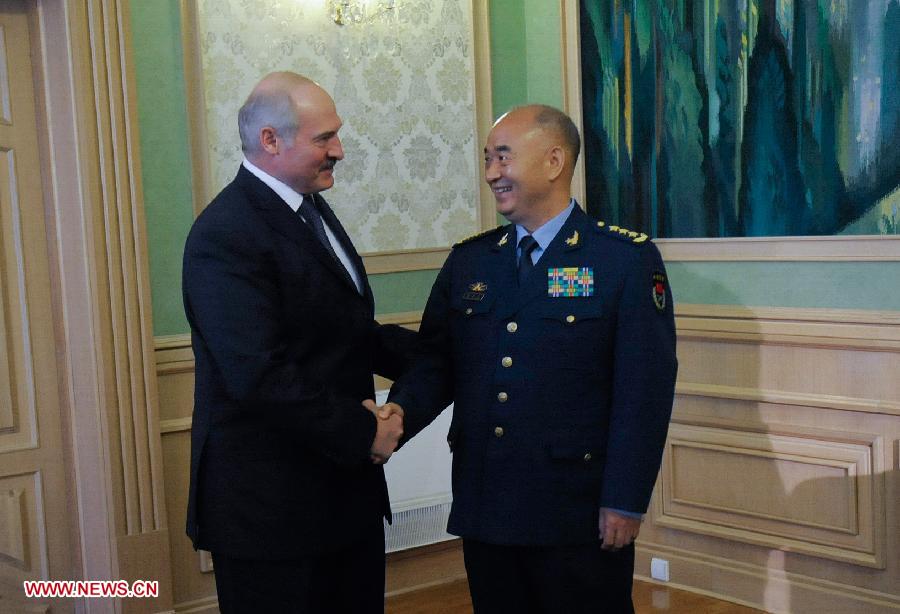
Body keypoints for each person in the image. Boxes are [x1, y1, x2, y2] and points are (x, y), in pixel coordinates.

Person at [379, 105, 678, 613]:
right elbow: (437, 363)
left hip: (576, 509)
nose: (492, 173)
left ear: (555, 160)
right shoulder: (471, 260)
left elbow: (644, 390)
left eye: (503, 157)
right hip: (487, 501)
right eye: (487, 159)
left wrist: (624, 499)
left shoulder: (621, 260)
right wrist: (397, 418)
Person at [182, 72, 414, 613]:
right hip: (271, 515)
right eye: (323, 139)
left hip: (342, 500)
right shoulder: (225, 234)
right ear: (270, 141)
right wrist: (366, 433)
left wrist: (441, 353)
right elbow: (259, 376)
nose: (339, 150)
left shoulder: (309, 210)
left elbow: (345, 333)